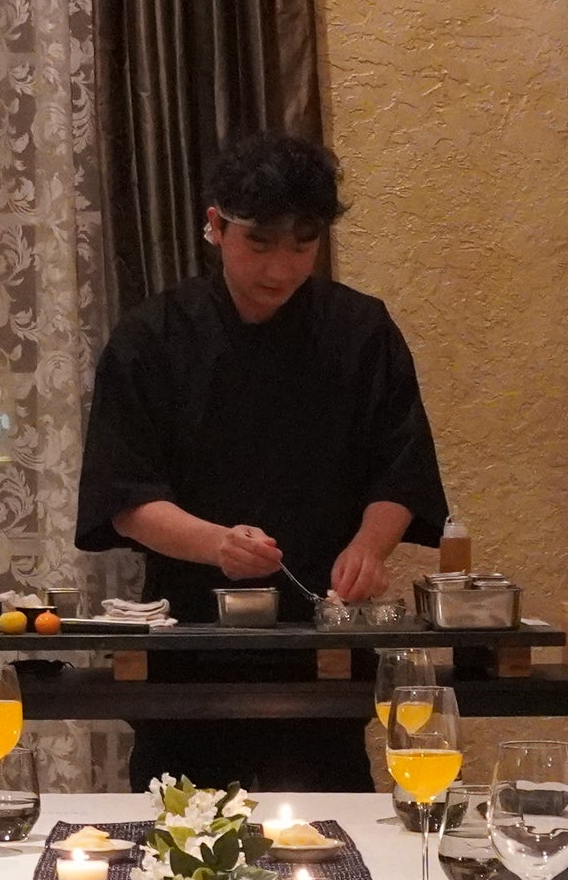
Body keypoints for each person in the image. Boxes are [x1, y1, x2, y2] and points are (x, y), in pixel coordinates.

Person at [73, 133, 450, 789]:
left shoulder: (360, 332)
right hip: (187, 650)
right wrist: (218, 543)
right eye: (260, 243)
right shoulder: (152, 338)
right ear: (215, 226)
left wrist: (370, 546)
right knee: (178, 855)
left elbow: (401, 470)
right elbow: (127, 500)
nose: (281, 267)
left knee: (333, 850)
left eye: (302, 246)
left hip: (324, 655)